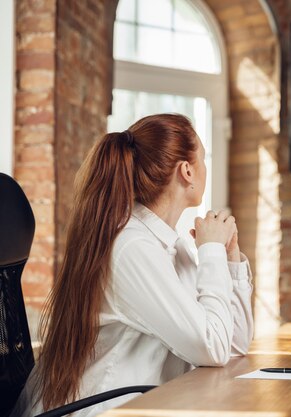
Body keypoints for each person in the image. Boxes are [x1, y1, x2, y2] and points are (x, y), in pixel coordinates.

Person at [15, 113, 254, 417]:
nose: (206, 168)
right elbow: (214, 347)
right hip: (99, 409)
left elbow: (232, 346)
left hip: (141, 405)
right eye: (203, 159)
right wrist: (210, 252)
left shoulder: (171, 245)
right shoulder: (133, 248)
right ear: (187, 171)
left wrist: (229, 257)